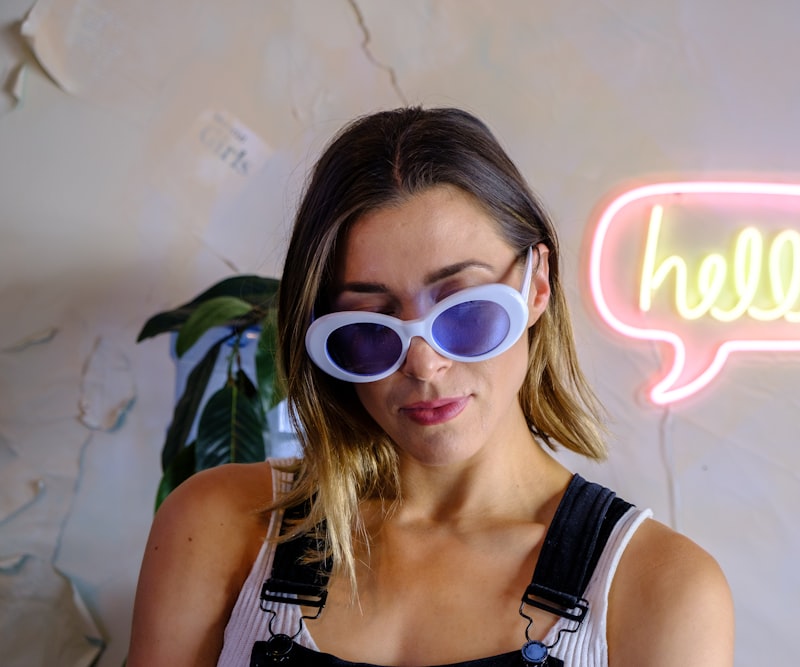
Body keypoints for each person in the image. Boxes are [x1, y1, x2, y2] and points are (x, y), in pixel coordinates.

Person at [128, 107, 734, 667]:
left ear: (536, 286)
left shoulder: (659, 589)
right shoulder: (219, 527)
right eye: (370, 328)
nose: (423, 364)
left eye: (464, 310)